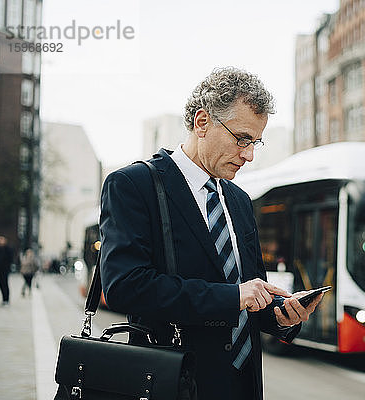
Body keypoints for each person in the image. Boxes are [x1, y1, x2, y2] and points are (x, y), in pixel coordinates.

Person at [99, 67, 324, 400]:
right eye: (242, 139)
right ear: (202, 122)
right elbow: (124, 287)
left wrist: (281, 315)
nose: (249, 155)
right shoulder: (134, 185)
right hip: (174, 382)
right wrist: (233, 297)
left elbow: (252, 292)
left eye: (255, 142)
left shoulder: (239, 200)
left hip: (243, 386)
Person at [0, 235, 14, 306]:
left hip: (5, 270)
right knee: (0, 284)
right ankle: (3, 299)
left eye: (2, 239)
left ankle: (6, 299)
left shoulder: (8, 249)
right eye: (0, 239)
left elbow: (10, 259)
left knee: (5, 284)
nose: (0, 241)